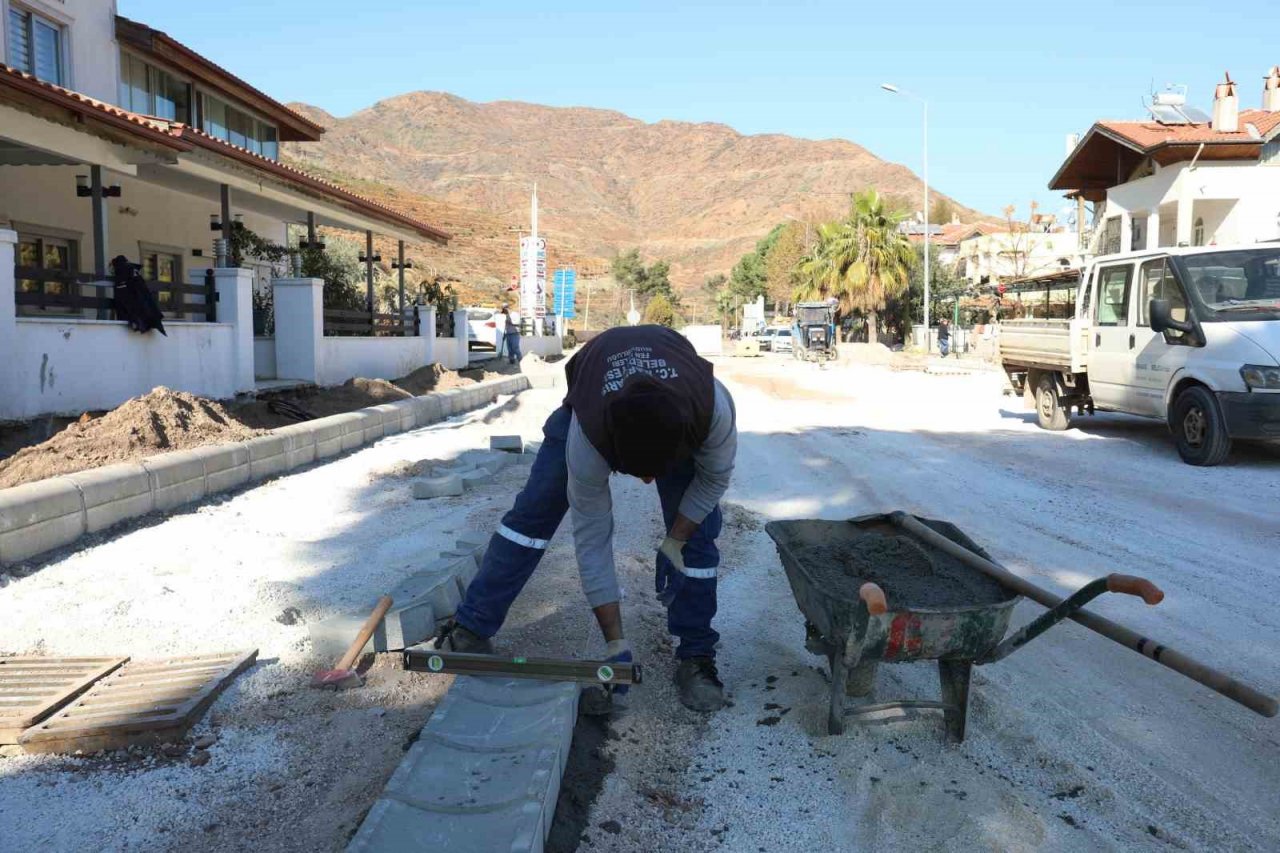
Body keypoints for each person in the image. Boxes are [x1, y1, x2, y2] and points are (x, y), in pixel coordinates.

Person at [438, 325, 737, 712]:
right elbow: (592, 538)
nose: (648, 481)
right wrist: (614, 642)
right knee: (532, 516)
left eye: (656, 472)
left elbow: (713, 480)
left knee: (697, 539)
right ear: (612, 452)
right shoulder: (589, 436)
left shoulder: (713, 411)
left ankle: (696, 657)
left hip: (679, 409)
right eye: (638, 472)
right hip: (594, 395)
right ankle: (471, 625)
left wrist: (675, 539)